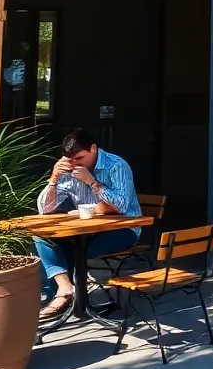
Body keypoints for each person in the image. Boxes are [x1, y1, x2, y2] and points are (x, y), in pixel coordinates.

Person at [35, 128, 142, 318]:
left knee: (72, 251)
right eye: (71, 160)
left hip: (123, 229)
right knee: (42, 237)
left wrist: (92, 182)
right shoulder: (68, 167)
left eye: (80, 158)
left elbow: (122, 206)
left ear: (93, 149)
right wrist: (53, 180)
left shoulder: (116, 166)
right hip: (85, 230)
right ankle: (65, 289)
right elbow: (47, 209)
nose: (75, 164)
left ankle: (64, 301)